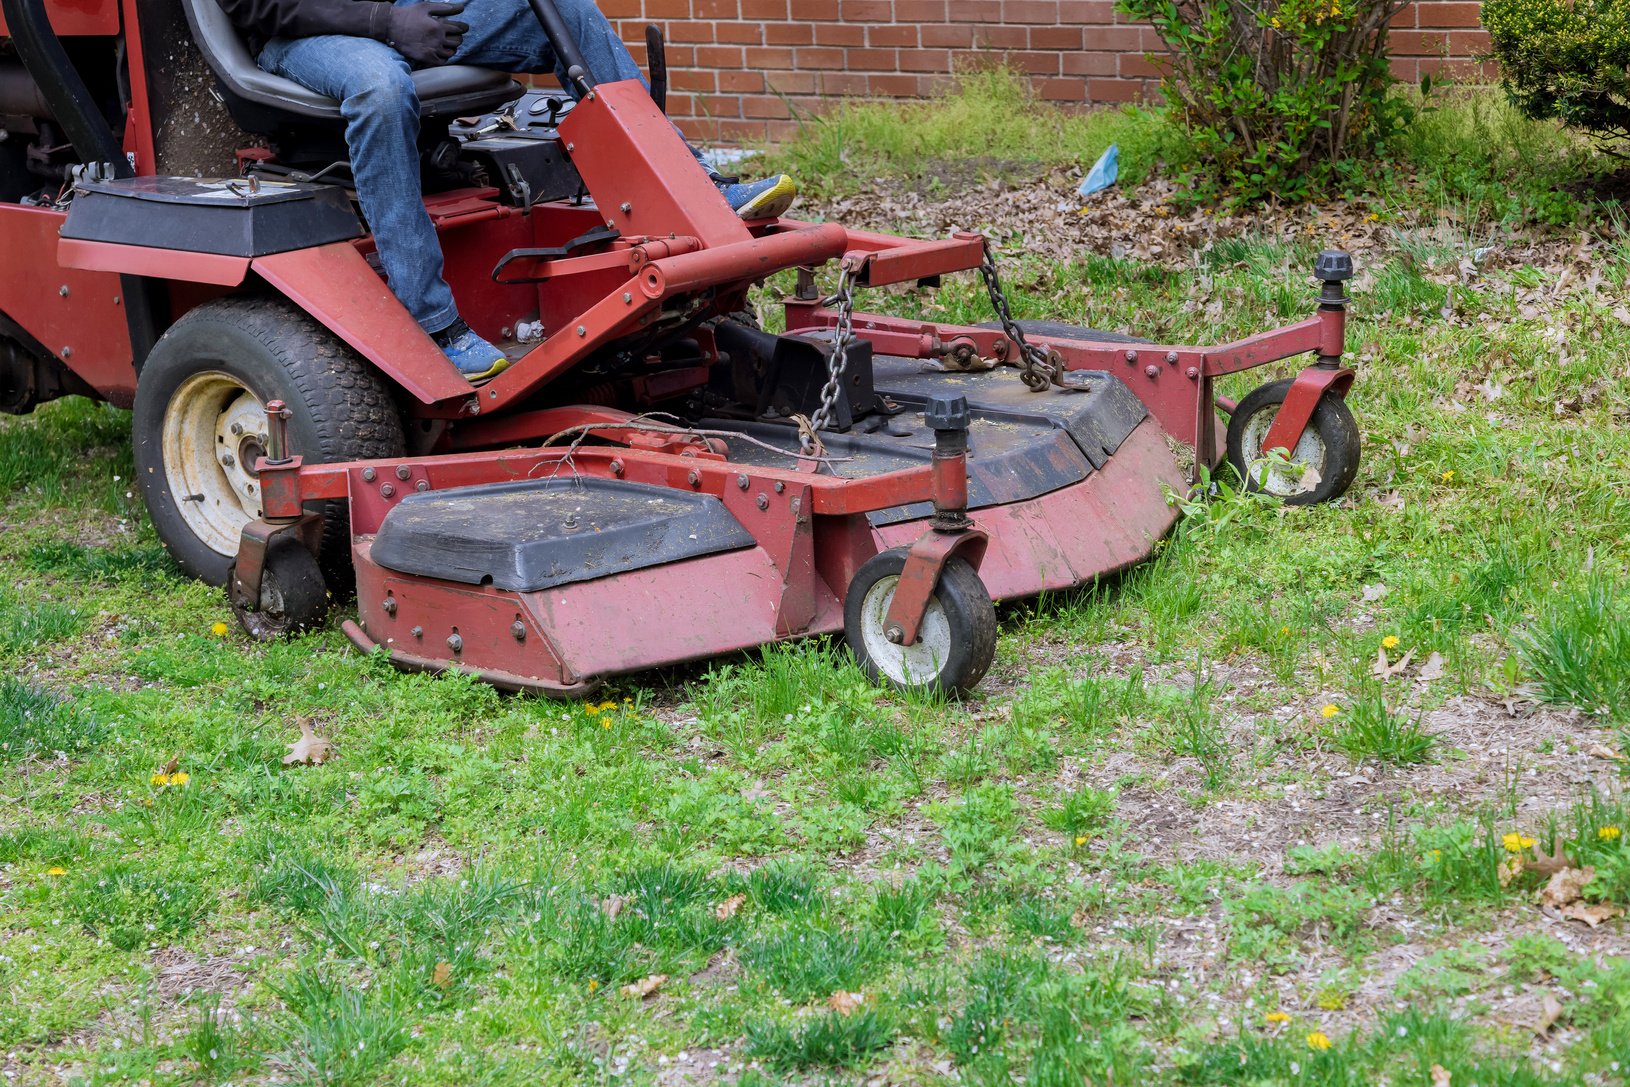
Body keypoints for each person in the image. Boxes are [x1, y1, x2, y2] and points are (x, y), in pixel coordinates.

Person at [214, 0, 798, 381]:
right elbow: (255, 6)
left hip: (401, 14)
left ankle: (694, 188)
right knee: (380, 89)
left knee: (566, 10)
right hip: (307, 37)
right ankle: (432, 320)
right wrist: (386, 25)